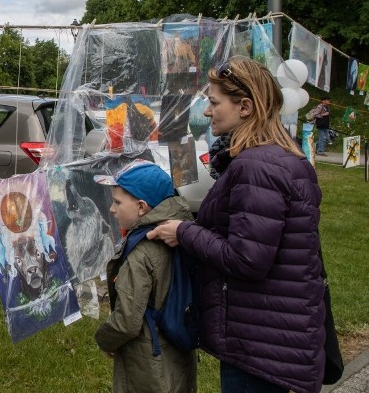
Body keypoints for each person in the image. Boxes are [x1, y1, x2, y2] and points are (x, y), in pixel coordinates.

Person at [148, 56, 325, 393]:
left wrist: (183, 232)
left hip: (259, 343)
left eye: (214, 102)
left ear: (245, 106)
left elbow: (247, 258)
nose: (207, 111)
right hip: (274, 332)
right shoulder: (280, 158)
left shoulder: (256, 167)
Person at [94, 160, 197, 393]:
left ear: (141, 207)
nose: (112, 209)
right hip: (177, 352)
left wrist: (104, 339)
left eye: (117, 202)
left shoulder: (140, 254)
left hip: (148, 364)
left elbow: (128, 322)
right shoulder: (180, 234)